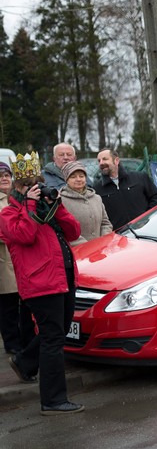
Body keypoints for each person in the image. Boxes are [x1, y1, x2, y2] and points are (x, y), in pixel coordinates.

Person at [0, 152, 84, 415]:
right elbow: (24, 235)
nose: (33, 189)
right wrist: (30, 205)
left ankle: (25, 362)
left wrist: (57, 205)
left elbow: (74, 232)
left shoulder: (47, 208)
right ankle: (53, 400)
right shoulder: (9, 213)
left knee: (55, 331)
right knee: (53, 339)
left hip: (64, 278)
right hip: (40, 283)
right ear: (17, 188)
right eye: (27, 186)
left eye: (35, 184)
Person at [94, 148, 157, 230]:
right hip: (119, 238)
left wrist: (146, 218)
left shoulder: (139, 178)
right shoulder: (97, 189)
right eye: (99, 161)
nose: (101, 163)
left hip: (145, 231)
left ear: (116, 161)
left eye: (105, 159)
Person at [58, 160, 112, 245]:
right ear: (66, 180)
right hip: (78, 252)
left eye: (81, 176)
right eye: (73, 177)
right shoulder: (61, 201)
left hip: (101, 249)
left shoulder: (96, 198)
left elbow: (105, 223)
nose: (78, 179)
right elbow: (65, 230)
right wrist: (87, 246)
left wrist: (103, 240)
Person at [0, 161, 22, 353]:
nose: (5, 178)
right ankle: (12, 344)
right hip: (4, 260)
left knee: (23, 305)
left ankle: (21, 341)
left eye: (7, 175)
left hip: (21, 259)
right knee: (7, 306)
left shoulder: (17, 197)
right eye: (0, 176)